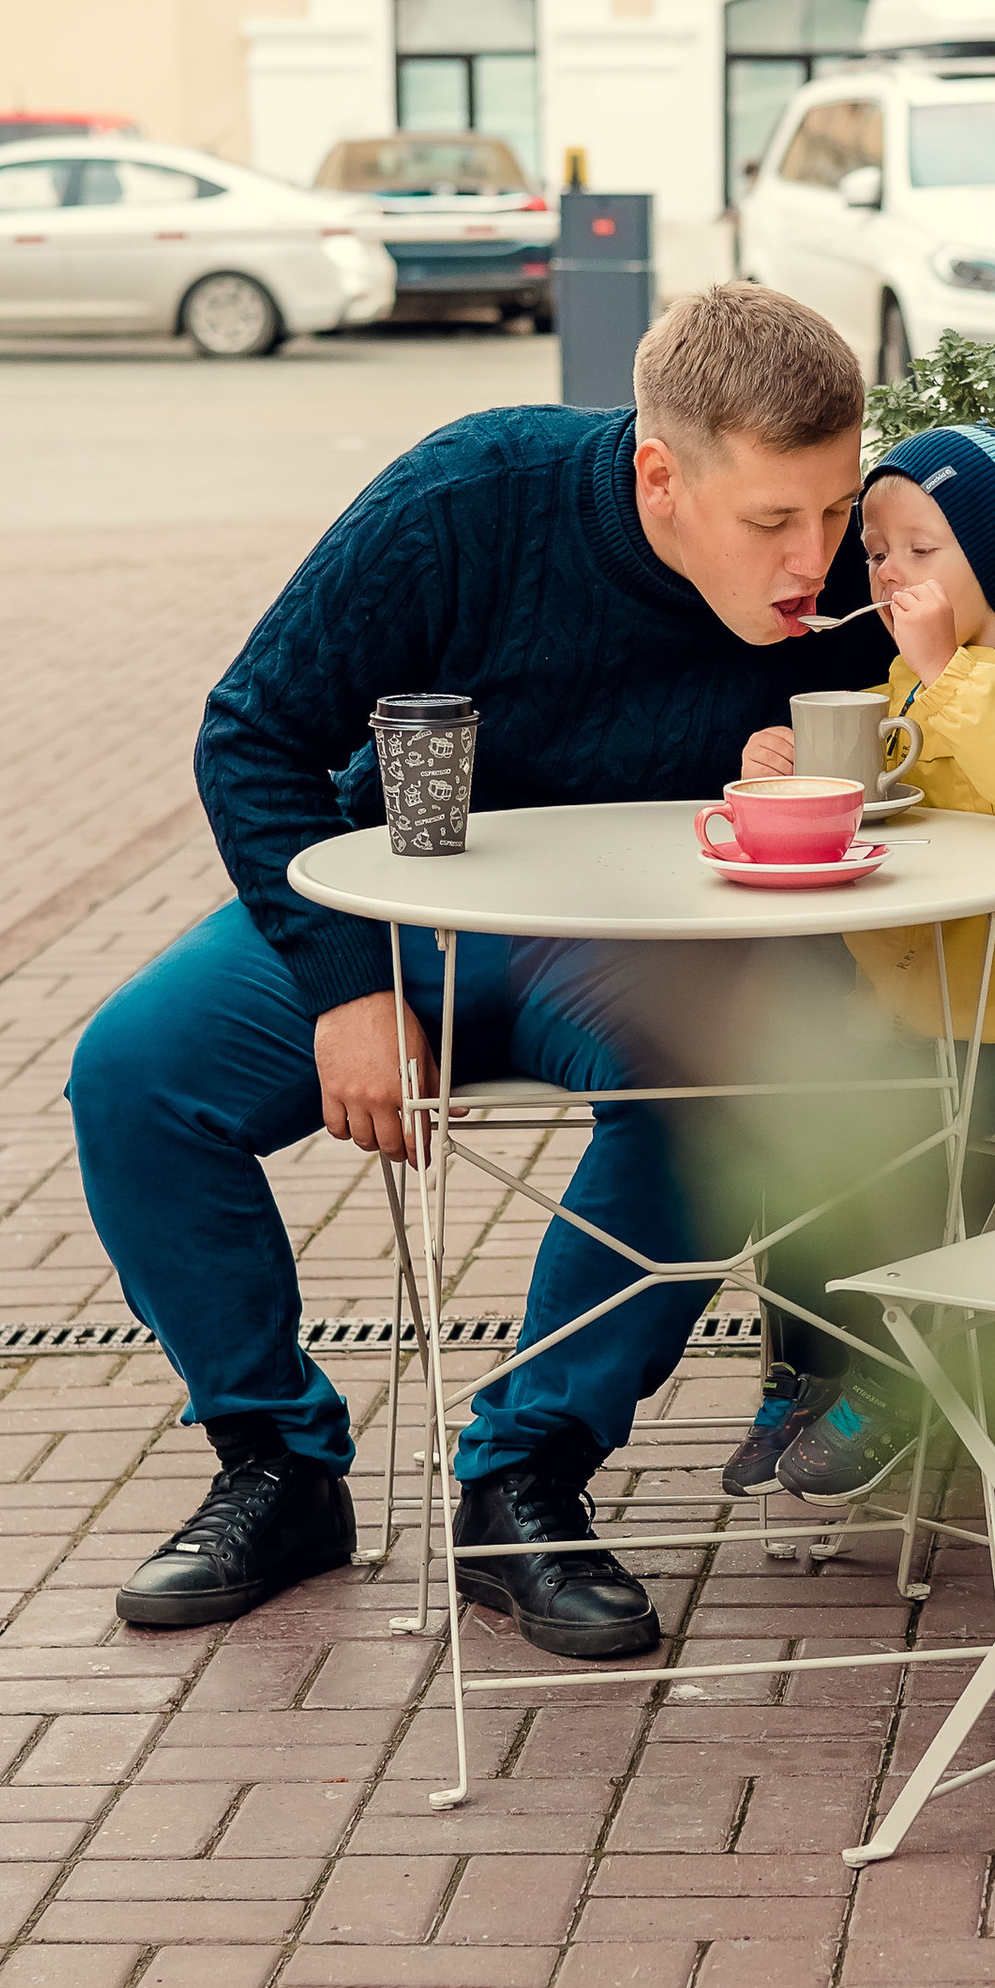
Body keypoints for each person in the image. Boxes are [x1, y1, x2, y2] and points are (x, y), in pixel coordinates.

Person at [68, 281, 882, 1658]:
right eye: (772, 524)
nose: (817, 556)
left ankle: (524, 1483)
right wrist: (344, 986)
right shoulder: (469, 498)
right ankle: (275, 1467)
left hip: (637, 948)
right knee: (135, 1078)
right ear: (660, 473)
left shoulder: (858, 565)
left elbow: (975, 705)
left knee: (725, 1077)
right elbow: (250, 735)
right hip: (402, 907)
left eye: (836, 509)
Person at [720, 421, 995, 1505]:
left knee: (899, 1144)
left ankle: (901, 1378)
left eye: (923, 549)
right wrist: (800, 770)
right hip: (911, 1013)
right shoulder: (914, 677)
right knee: (804, 1140)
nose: (891, 572)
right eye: (879, 553)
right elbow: (904, 795)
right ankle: (804, 1370)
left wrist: (946, 670)